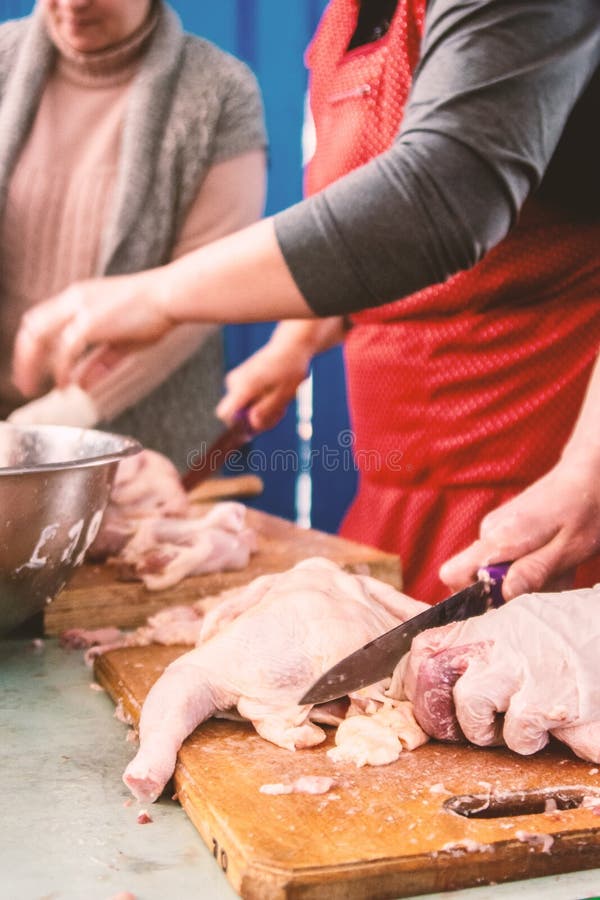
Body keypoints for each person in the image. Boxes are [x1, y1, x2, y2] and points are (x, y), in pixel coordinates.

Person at [11, 0, 600, 603]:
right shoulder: (344, 22)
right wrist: (298, 337)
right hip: (395, 482)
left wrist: (160, 295)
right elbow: (373, 224)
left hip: (538, 486)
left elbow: (440, 197)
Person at [0, 0, 266, 470]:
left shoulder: (222, 92)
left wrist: (51, 420)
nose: (72, 4)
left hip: (146, 453)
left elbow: (209, 290)